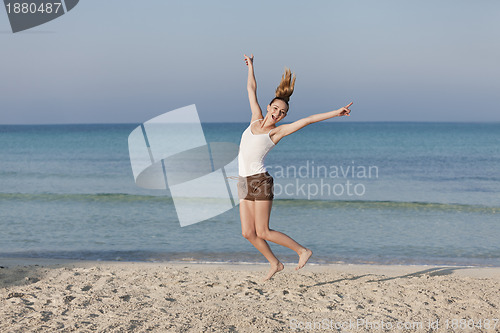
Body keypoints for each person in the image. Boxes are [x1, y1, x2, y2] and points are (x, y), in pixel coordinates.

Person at [238, 54, 353, 281]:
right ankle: (275, 263)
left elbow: (308, 120)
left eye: (282, 113)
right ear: (270, 106)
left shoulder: (277, 132)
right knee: (247, 233)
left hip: (260, 181)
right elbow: (251, 89)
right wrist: (251, 67)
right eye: (276, 108)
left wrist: (336, 112)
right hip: (243, 181)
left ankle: (302, 251)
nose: (278, 113)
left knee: (263, 231)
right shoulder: (254, 118)